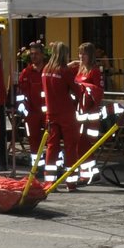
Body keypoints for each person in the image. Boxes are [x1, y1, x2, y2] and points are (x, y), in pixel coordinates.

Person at [40, 42, 79, 184]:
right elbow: (77, 90)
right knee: (70, 147)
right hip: (66, 113)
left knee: (52, 147)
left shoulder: (45, 70)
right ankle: (71, 182)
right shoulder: (64, 71)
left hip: (51, 114)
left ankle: (49, 181)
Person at [73, 42, 106, 185]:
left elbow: (99, 91)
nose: (81, 56)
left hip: (90, 115)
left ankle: (86, 176)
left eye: (84, 54)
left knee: (84, 144)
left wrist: (83, 86)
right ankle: (94, 173)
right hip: (79, 113)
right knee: (81, 144)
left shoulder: (95, 71)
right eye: (79, 53)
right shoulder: (79, 69)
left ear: (90, 55)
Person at [15, 40, 47, 164]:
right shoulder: (26, 72)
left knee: (51, 139)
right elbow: (20, 93)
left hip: (47, 111)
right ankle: (37, 164)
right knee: (33, 139)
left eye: (37, 54)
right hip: (31, 112)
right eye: (32, 54)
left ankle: (55, 163)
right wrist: (23, 109)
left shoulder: (48, 70)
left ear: (42, 55)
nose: (34, 56)